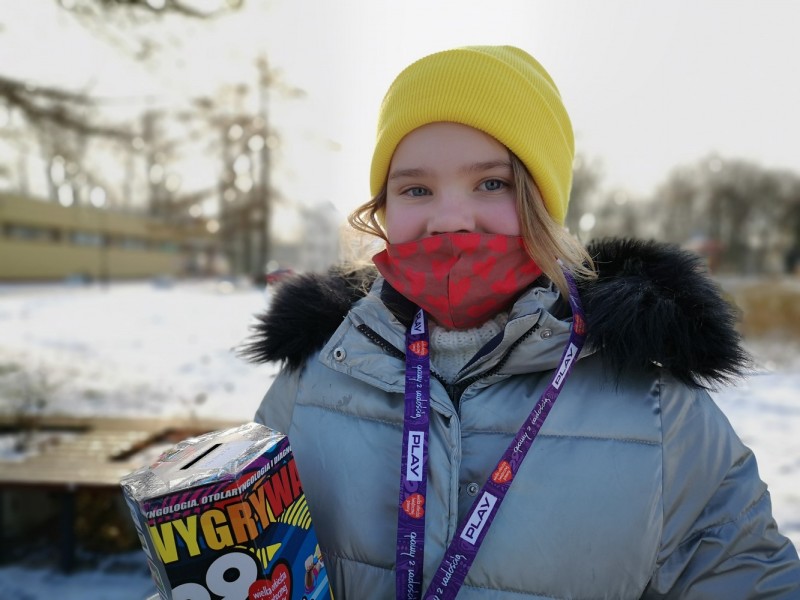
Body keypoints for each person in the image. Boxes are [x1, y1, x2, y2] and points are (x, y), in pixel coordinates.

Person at [244, 46, 800, 598]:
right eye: (416, 189)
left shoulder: (658, 412)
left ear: (545, 203)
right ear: (384, 210)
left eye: (492, 183)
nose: (450, 219)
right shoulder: (311, 381)